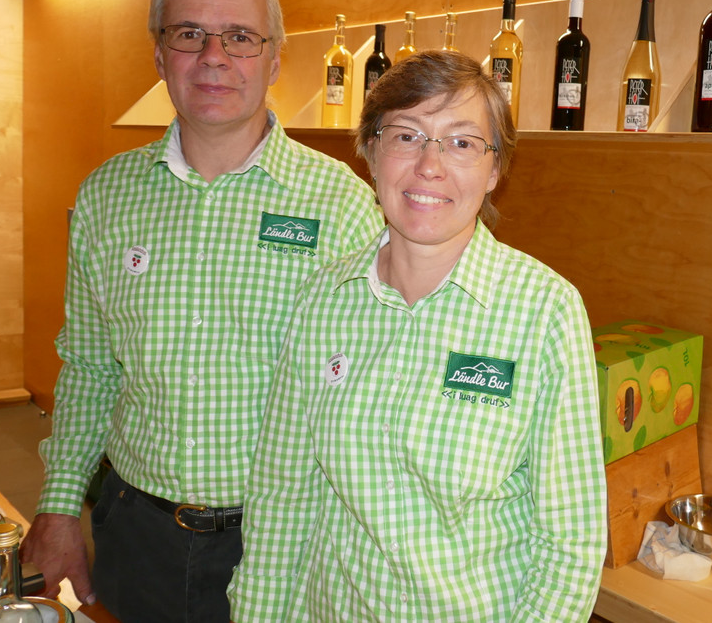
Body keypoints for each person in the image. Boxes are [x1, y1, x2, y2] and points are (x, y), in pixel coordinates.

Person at [19, 0, 383, 621]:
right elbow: (91, 366)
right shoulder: (106, 197)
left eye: (240, 36)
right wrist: (60, 505)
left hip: (284, 542)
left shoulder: (343, 206)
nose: (214, 56)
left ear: (274, 59)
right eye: (189, 33)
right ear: (160, 55)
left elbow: (371, 395)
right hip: (133, 531)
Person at [228, 50, 607, 622]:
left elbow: (570, 543)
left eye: (461, 142)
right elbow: (283, 495)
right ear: (370, 152)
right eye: (407, 136)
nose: (430, 165)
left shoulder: (544, 311)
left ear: (495, 170)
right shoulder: (322, 301)